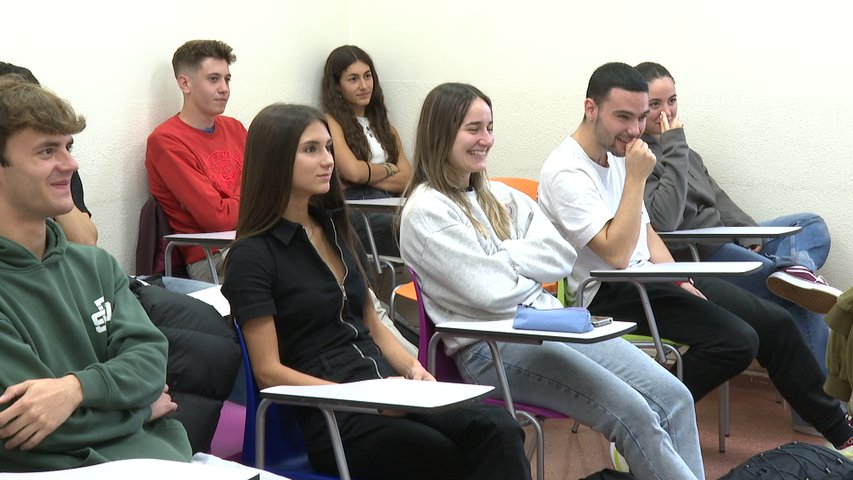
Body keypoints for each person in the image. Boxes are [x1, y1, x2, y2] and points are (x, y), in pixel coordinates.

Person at [537, 62, 853, 454]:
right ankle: (647, 412)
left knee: (775, 322)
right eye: (623, 117)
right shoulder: (566, 171)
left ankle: (842, 433)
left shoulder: (619, 155)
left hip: (653, 279)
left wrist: (679, 279)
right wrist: (635, 178)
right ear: (591, 108)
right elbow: (617, 254)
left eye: (639, 117)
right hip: (608, 290)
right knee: (737, 341)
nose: (635, 130)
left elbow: (648, 233)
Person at [400, 82, 704, 480]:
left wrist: (501, 258)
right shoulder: (426, 211)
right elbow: (491, 295)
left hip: (549, 325)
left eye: (489, 128)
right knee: (634, 414)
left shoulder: (498, 195)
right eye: (473, 129)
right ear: (441, 133)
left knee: (675, 397)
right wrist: (520, 264)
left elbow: (561, 255)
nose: (486, 140)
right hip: (492, 349)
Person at [221, 102, 530, 480]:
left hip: (386, 389)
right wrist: (366, 398)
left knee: (498, 427)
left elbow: (371, 320)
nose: (328, 161)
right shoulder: (253, 255)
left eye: (329, 148)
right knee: (442, 455)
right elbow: (268, 371)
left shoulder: (333, 227)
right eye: (311, 149)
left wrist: (416, 371)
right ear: (275, 160)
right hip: (334, 414)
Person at [0, 76, 287, 480]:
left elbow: (153, 361)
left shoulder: (94, 266)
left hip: (165, 458)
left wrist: (76, 389)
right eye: (47, 151)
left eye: (68, 147)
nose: (70, 164)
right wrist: (140, 410)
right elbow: (29, 431)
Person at [635, 61, 840, 434]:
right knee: (798, 300)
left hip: (724, 236)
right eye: (655, 104)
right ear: (637, 107)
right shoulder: (641, 157)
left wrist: (753, 239)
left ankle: (789, 268)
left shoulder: (686, 153)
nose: (666, 112)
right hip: (700, 252)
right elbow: (665, 220)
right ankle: (818, 413)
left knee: (812, 224)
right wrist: (672, 148)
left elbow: (719, 200)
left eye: (673, 101)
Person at [145, 40, 246, 283]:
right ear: (185, 83)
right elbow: (218, 219)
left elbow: (275, 188)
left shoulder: (235, 128)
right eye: (213, 79)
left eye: (227, 79)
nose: (224, 89)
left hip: (251, 239)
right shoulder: (166, 140)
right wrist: (257, 195)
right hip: (212, 257)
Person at [321, 45, 412, 258]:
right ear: (337, 86)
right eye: (353, 79)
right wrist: (390, 168)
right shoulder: (330, 122)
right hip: (356, 209)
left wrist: (364, 175)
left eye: (367, 76)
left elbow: (407, 178)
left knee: (433, 220)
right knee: (415, 230)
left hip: (393, 203)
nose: (364, 85)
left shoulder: (386, 127)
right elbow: (353, 172)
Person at [0, 61, 97, 246]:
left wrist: (49, 193)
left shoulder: (60, 166)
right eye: (47, 150)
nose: (71, 164)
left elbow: (86, 242)